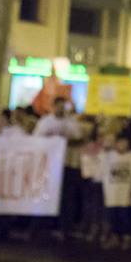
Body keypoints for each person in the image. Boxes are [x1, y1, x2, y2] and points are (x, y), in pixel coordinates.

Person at [36, 97, 85, 241]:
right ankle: (45, 226)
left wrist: (66, 141)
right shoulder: (45, 122)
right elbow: (37, 140)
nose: (60, 109)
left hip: (68, 164)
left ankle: (65, 227)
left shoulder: (72, 123)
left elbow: (79, 139)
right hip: (49, 166)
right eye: (58, 106)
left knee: (67, 197)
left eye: (63, 107)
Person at [100, 134, 131, 250]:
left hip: (125, 192)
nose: (123, 146)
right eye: (120, 142)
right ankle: (115, 237)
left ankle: (127, 237)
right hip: (112, 192)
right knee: (112, 216)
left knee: (125, 216)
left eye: (125, 143)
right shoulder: (109, 156)